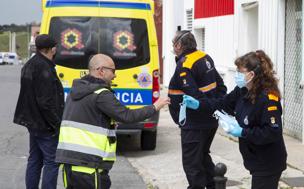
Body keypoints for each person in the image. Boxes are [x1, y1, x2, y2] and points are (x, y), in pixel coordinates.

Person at [55, 54, 170, 189]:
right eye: (113, 71)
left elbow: (88, 118)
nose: (115, 75)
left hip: (70, 164)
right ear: (101, 70)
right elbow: (127, 116)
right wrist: (155, 106)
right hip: (89, 167)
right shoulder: (101, 94)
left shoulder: (76, 92)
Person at [184, 50, 287, 189]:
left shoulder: (268, 99)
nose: (237, 75)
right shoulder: (242, 91)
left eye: (240, 72)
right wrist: (199, 104)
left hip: (268, 161)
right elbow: (221, 103)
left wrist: (243, 132)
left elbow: (272, 132)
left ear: (251, 75)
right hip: (255, 159)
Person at [168, 30, 227, 189]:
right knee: (202, 157)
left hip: (194, 124)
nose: (173, 47)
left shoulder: (185, 64)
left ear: (179, 45)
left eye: (174, 44)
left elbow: (194, 96)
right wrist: (216, 105)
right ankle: (215, 186)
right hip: (209, 121)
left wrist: (207, 106)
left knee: (192, 163)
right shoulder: (205, 57)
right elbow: (221, 87)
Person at [14, 34, 64, 189]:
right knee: (52, 162)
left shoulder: (30, 64)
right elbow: (45, 103)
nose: (56, 49)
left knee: (35, 160)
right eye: (55, 46)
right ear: (50, 49)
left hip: (33, 122)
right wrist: (57, 124)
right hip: (45, 125)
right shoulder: (44, 68)